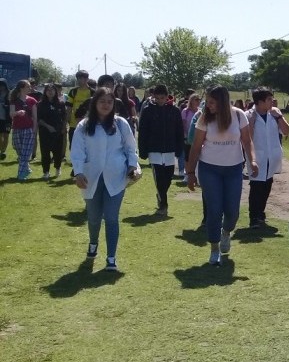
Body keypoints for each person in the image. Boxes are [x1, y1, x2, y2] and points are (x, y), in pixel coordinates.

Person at [186, 85, 258, 265]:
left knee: (232, 211)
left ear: (222, 102)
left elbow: (247, 141)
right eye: (207, 102)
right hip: (209, 169)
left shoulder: (239, 115)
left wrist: (253, 160)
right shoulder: (204, 118)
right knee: (214, 209)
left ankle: (226, 232)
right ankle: (214, 249)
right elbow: (196, 146)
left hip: (233, 169)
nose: (207, 105)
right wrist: (190, 172)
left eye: (211, 102)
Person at [70, 87, 139, 272]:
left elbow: (131, 148)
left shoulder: (121, 124)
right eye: (102, 101)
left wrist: (133, 166)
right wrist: (78, 173)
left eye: (110, 101)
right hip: (90, 177)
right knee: (93, 218)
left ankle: (111, 258)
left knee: (111, 217)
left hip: (116, 177)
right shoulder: (84, 125)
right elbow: (77, 152)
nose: (106, 105)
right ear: (95, 103)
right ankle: (93, 243)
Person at [246, 87, 289, 229]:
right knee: (256, 187)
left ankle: (261, 214)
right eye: (269, 99)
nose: (272, 102)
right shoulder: (248, 115)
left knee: (267, 186)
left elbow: (286, 131)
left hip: (272, 156)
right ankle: (254, 217)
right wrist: (252, 122)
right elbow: (248, 138)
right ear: (260, 102)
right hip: (257, 157)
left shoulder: (274, 114)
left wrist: (280, 116)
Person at [137, 84, 184, 216]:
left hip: (170, 149)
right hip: (154, 149)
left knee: (168, 178)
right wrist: (143, 150)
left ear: (167, 96)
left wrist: (179, 148)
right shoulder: (147, 110)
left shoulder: (174, 110)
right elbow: (143, 131)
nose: (159, 100)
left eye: (162, 97)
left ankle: (160, 196)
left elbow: (179, 131)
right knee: (159, 177)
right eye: (157, 98)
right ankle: (164, 205)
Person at [10, 80, 38, 180]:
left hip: (29, 129)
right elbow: (11, 114)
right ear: (22, 88)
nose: (30, 88)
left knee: (25, 152)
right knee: (19, 150)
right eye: (28, 87)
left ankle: (21, 175)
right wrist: (18, 112)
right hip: (17, 128)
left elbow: (35, 117)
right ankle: (27, 168)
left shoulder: (32, 100)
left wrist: (34, 129)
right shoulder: (14, 100)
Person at [37, 83, 67, 179]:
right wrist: (48, 126)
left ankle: (58, 168)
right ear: (45, 92)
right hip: (45, 131)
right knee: (45, 152)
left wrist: (63, 128)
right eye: (48, 90)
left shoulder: (61, 104)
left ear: (56, 91)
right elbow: (39, 119)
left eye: (52, 90)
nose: (50, 92)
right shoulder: (41, 104)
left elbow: (64, 117)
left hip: (58, 131)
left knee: (57, 152)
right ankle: (46, 172)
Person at [65, 70, 94, 157]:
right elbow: (69, 108)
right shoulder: (73, 91)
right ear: (77, 79)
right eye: (80, 78)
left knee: (88, 147)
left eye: (84, 78)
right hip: (74, 125)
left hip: (88, 124)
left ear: (87, 79)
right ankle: (75, 166)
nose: (82, 80)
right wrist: (67, 121)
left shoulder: (93, 92)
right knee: (74, 146)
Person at [180, 94, 202, 183]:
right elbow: (184, 124)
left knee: (198, 157)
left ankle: (197, 175)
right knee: (187, 157)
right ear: (191, 101)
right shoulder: (185, 111)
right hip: (187, 138)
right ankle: (187, 175)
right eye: (196, 99)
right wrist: (187, 135)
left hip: (198, 137)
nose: (198, 101)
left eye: (199, 100)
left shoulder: (200, 112)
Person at [0, 78, 10, 160]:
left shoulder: (9, 94)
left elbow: (13, 106)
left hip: (7, 119)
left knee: (6, 135)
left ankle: (3, 152)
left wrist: (6, 107)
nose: (1, 87)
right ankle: (1, 149)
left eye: (2, 85)